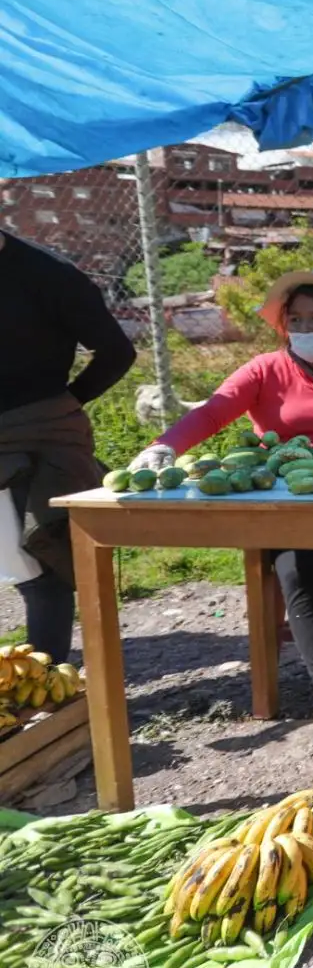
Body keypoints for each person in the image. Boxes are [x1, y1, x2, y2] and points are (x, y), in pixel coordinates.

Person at [127, 269, 313, 748]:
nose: (306, 329)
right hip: (287, 503)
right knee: (298, 574)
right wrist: (164, 447)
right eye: (295, 319)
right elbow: (214, 411)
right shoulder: (266, 370)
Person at [0, 232, 136, 664]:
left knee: (42, 568)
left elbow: (116, 352)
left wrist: (64, 405)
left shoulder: (49, 274)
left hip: (38, 437)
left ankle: (46, 687)